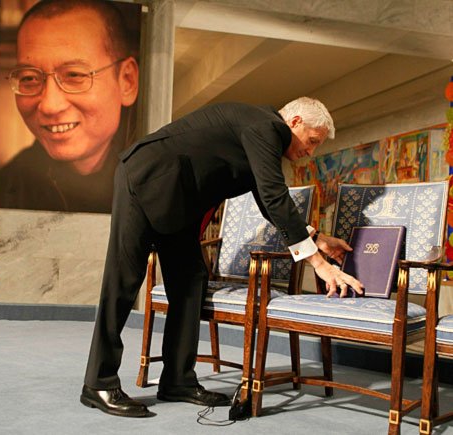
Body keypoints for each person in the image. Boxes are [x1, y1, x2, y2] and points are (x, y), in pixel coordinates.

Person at [81, 97, 365, 418]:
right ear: (295, 122)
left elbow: (267, 202)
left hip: (179, 199)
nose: (311, 151)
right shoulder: (266, 127)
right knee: (123, 280)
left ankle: (177, 380)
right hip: (145, 177)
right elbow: (274, 196)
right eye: (312, 141)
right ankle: (98, 383)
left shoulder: (260, 133)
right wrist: (319, 265)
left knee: (190, 282)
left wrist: (319, 240)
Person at [0, 0, 140, 213]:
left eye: (74, 75)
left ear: (127, 81)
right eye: (29, 78)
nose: (49, 106)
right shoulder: (6, 187)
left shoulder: (157, 182)